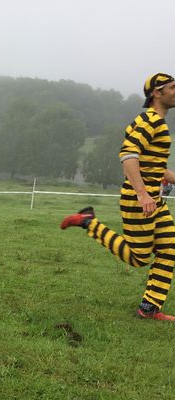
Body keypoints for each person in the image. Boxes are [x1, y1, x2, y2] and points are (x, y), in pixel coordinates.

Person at [61, 73, 175, 321]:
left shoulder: (158, 123)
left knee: (169, 248)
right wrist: (142, 193)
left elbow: (152, 164)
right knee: (139, 258)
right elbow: (128, 155)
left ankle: (149, 309)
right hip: (139, 200)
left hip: (155, 200)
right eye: (172, 87)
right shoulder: (150, 120)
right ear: (157, 93)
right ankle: (88, 222)